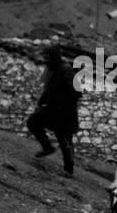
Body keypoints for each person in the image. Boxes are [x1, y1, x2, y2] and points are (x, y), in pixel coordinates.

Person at [26, 43, 82, 176]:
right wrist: (41, 101)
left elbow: (76, 93)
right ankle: (47, 147)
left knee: (65, 141)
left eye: (48, 56)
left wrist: (64, 106)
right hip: (51, 110)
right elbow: (48, 89)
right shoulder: (51, 71)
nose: (46, 59)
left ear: (54, 56)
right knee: (32, 121)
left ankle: (69, 170)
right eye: (45, 56)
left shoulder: (67, 70)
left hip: (65, 114)